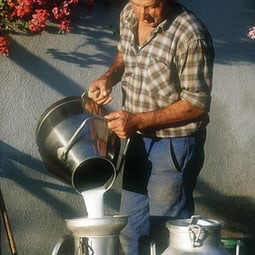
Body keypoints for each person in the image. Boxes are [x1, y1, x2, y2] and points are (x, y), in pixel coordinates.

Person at [86, 0, 214, 254]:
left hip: (173, 145)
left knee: (167, 235)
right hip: (138, 140)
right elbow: (125, 54)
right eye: (137, 4)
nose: (144, 15)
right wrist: (108, 77)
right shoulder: (129, 14)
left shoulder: (191, 35)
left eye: (152, 6)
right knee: (130, 232)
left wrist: (136, 121)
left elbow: (197, 104)